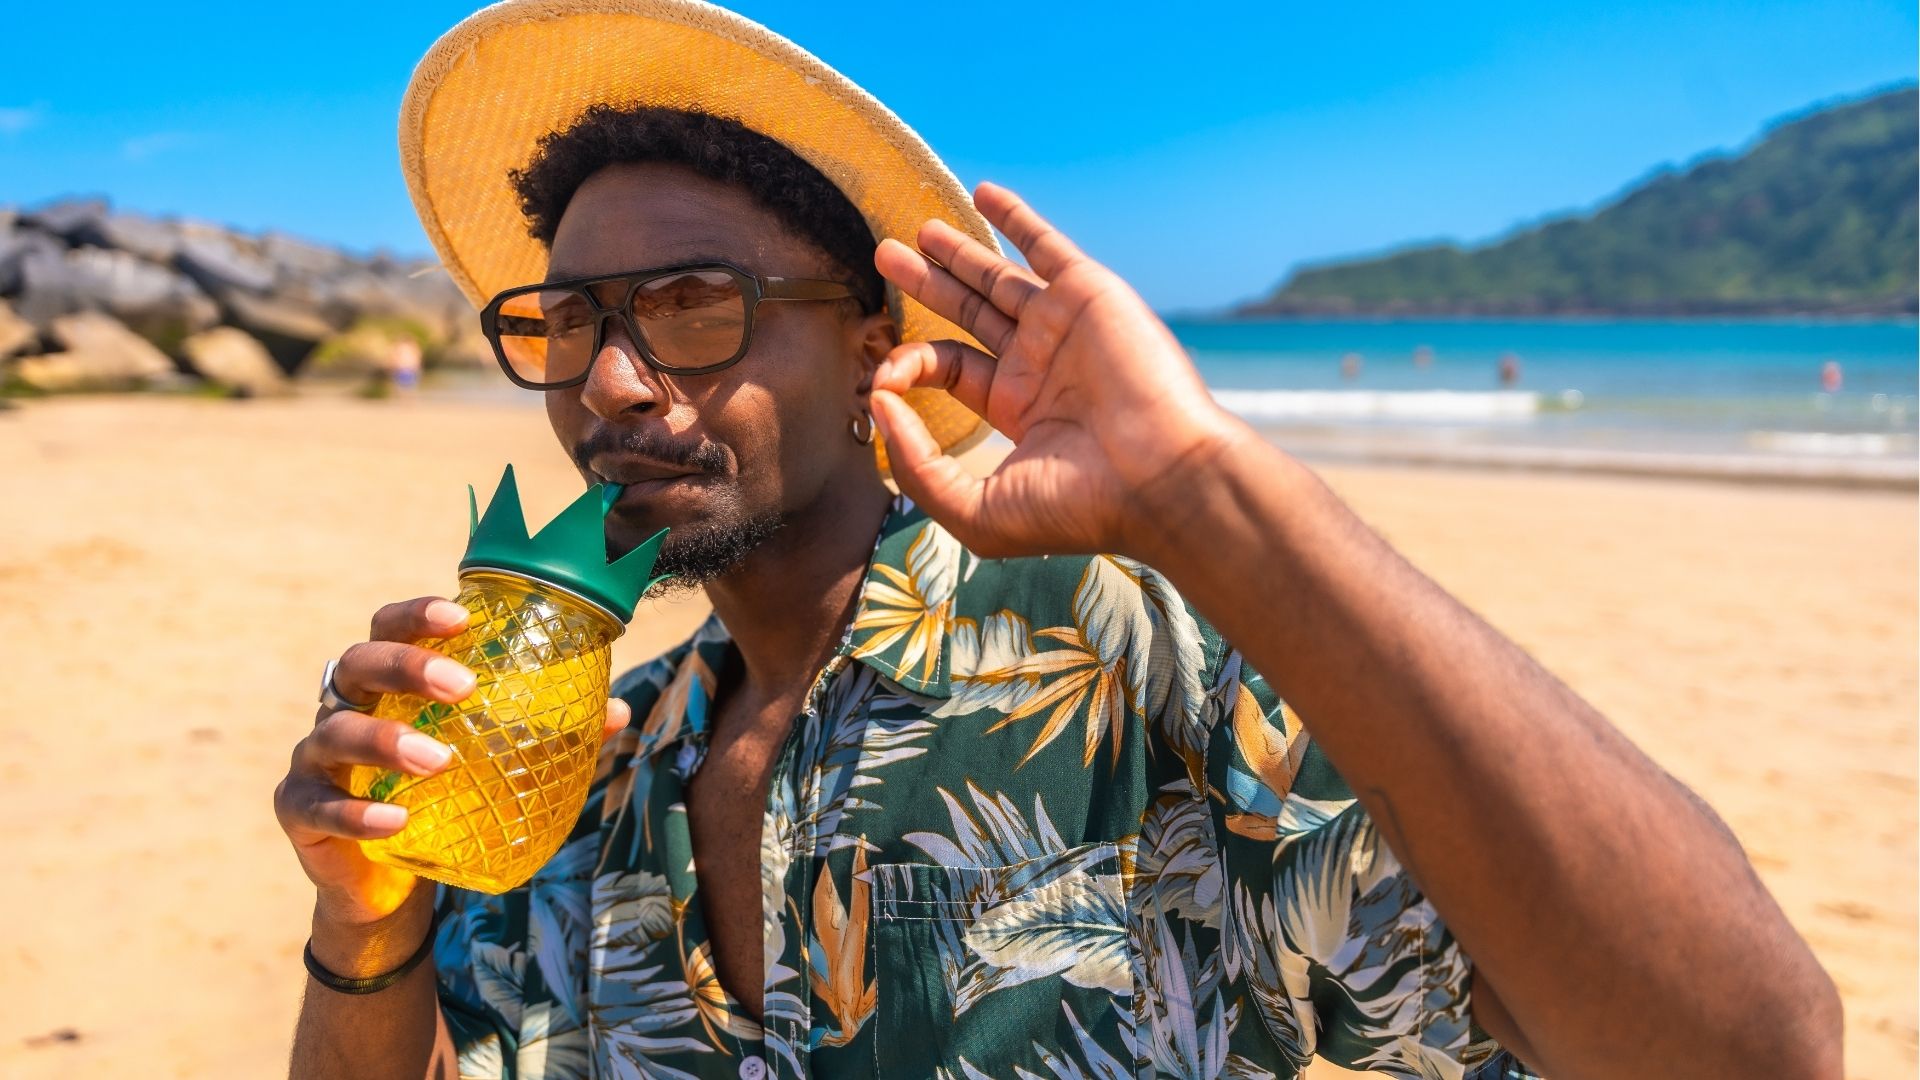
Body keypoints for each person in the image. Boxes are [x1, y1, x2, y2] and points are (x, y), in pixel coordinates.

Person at [274, 3, 1839, 1078]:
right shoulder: (589, 767)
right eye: (568, 321)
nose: (614, 379)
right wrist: (368, 922)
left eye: (696, 303)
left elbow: (1750, 1049)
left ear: (874, 338)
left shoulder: (1107, 647)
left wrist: (1208, 492)